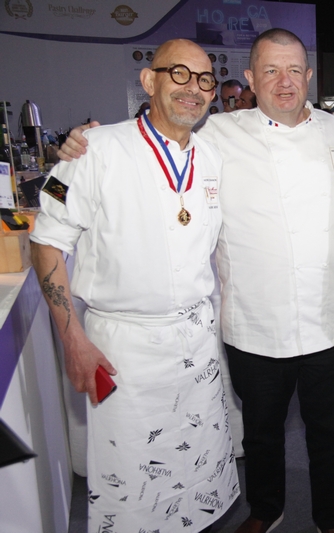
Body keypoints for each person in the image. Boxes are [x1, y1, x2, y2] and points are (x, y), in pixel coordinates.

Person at [58, 28, 334, 533]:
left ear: (309, 77)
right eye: (269, 70)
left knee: (329, 432)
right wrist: (79, 143)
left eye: (293, 71)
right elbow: (154, 138)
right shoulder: (215, 135)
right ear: (248, 79)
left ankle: (332, 518)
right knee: (261, 433)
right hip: (253, 324)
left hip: (331, 321)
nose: (283, 82)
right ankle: (267, 509)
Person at [31, 39, 239, 533]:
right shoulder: (93, 150)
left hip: (196, 346)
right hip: (123, 350)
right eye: (179, 75)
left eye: (205, 79)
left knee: (196, 477)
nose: (194, 89)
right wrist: (73, 342)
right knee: (133, 487)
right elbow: (45, 243)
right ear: (149, 82)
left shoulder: (213, 158)